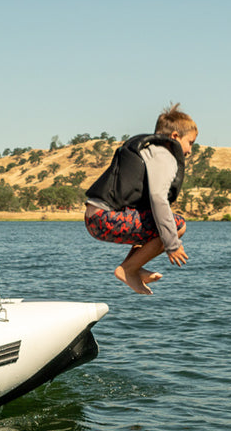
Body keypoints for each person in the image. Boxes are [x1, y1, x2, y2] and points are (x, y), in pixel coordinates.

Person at [84, 104, 197, 295]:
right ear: (175, 137)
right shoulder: (165, 156)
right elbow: (158, 199)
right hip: (105, 218)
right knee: (178, 225)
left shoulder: (148, 150)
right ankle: (129, 269)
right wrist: (172, 245)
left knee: (154, 225)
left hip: (95, 219)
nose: (190, 151)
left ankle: (133, 268)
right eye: (190, 143)